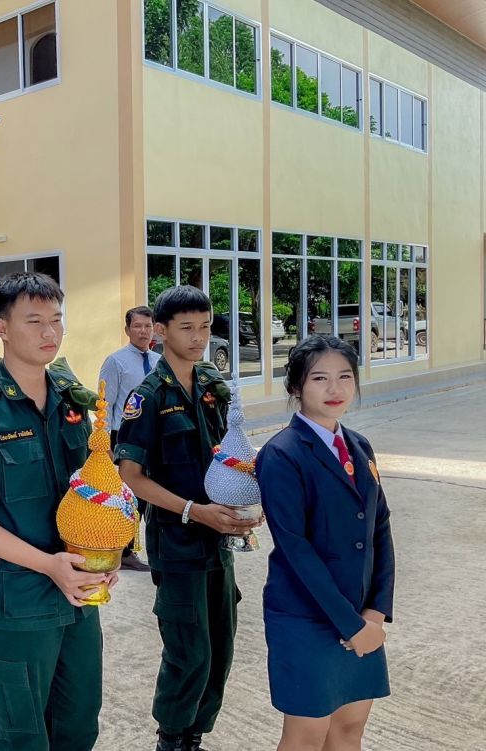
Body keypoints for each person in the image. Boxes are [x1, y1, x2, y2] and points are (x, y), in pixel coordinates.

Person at [0, 272, 115, 751]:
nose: (49, 332)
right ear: (1, 328)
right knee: (22, 735)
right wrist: (48, 565)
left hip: (79, 597)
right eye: (34, 321)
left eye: (56, 319)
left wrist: (105, 553)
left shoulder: (71, 402)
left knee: (79, 724)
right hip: (15, 603)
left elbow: (92, 489)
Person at [117, 286, 259, 751]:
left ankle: (195, 735)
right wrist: (194, 511)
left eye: (205, 327)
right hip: (178, 544)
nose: (199, 338)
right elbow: (131, 475)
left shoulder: (214, 386)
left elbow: (231, 453)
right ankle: (171, 737)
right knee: (188, 650)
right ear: (160, 332)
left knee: (221, 646)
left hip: (220, 541)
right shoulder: (148, 397)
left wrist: (247, 497)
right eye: (187, 328)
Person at [255, 335, 394, 751]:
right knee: (306, 736)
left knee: (350, 729)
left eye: (345, 377)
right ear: (296, 387)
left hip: (361, 614)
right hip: (306, 617)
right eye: (320, 378)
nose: (335, 389)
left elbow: (380, 527)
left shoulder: (359, 446)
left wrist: (375, 611)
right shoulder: (282, 454)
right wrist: (352, 626)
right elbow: (295, 549)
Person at [98, 305, 160, 572]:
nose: (143, 331)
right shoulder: (116, 362)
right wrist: (105, 445)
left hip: (154, 436)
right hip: (125, 436)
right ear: (127, 330)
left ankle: (146, 548)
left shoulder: (159, 361)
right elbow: (105, 404)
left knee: (149, 495)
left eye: (148, 326)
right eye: (138, 326)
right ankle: (123, 551)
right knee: (128, 496)